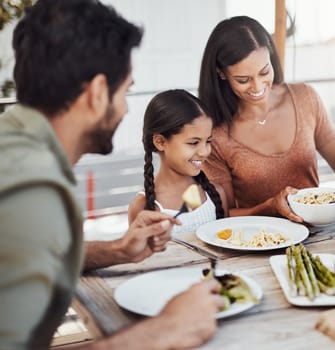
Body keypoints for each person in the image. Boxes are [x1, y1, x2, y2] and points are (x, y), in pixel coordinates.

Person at [0, 1, 224, 349]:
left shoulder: (15, 148)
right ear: (98, 93)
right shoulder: (32, 190)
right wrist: (165, 331)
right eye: (126, 91)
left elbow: (30, 254)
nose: (125, 107)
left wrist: (119, 250)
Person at [198, 16, 335, 222]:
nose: (258, 86)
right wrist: (271, 207)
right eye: (243, 80)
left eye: (264, 72)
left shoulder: (305, 98)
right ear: (221, 73)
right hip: (257, 242)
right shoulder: (214, 134)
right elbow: (223, 213)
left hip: (317, 236)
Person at [128, 89, 227, 232]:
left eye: (208, 141)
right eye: (193, 143)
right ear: (160, 142)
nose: (205, 151)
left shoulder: (216, 195)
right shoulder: (142, 207)